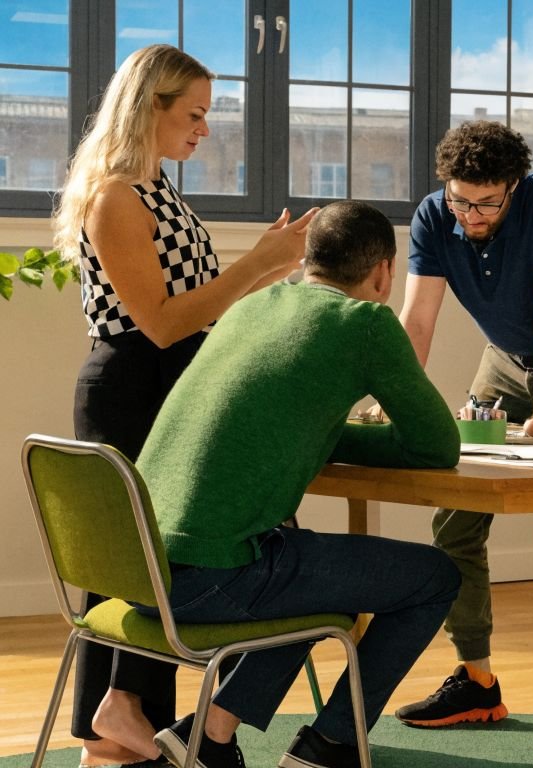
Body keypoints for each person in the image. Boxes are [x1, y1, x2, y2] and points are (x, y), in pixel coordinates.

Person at [50, 43, 317, 767]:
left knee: (163, 555)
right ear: (149, 108)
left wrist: (268, 273)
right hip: (133, 389)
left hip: (170, 383)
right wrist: (256, 264)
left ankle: (120, 723)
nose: (205, 128)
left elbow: (196, 311)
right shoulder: (115, 196)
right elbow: (161, 324)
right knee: (139, 559)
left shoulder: (158, 187)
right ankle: (120, 711)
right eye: (194, 113)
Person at [134, 200, 462, 768]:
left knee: (307, 565)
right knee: (434, 577)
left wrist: (325, 434)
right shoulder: (365, 323)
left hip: (137, 569)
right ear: (384, 272)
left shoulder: (251, 306)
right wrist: (365, 440)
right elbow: (438, 446)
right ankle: (329, 746)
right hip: (208, 579)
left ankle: (209, 736)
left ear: (308, 260)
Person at [390, 120, 533, 749]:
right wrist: (393, 401)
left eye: (486, 203)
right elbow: (418, 320)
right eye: (460, 200)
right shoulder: (434, 216)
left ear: (513, 186)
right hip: (504, 358)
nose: (471, 215)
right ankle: (476, 678)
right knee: (456, 512)